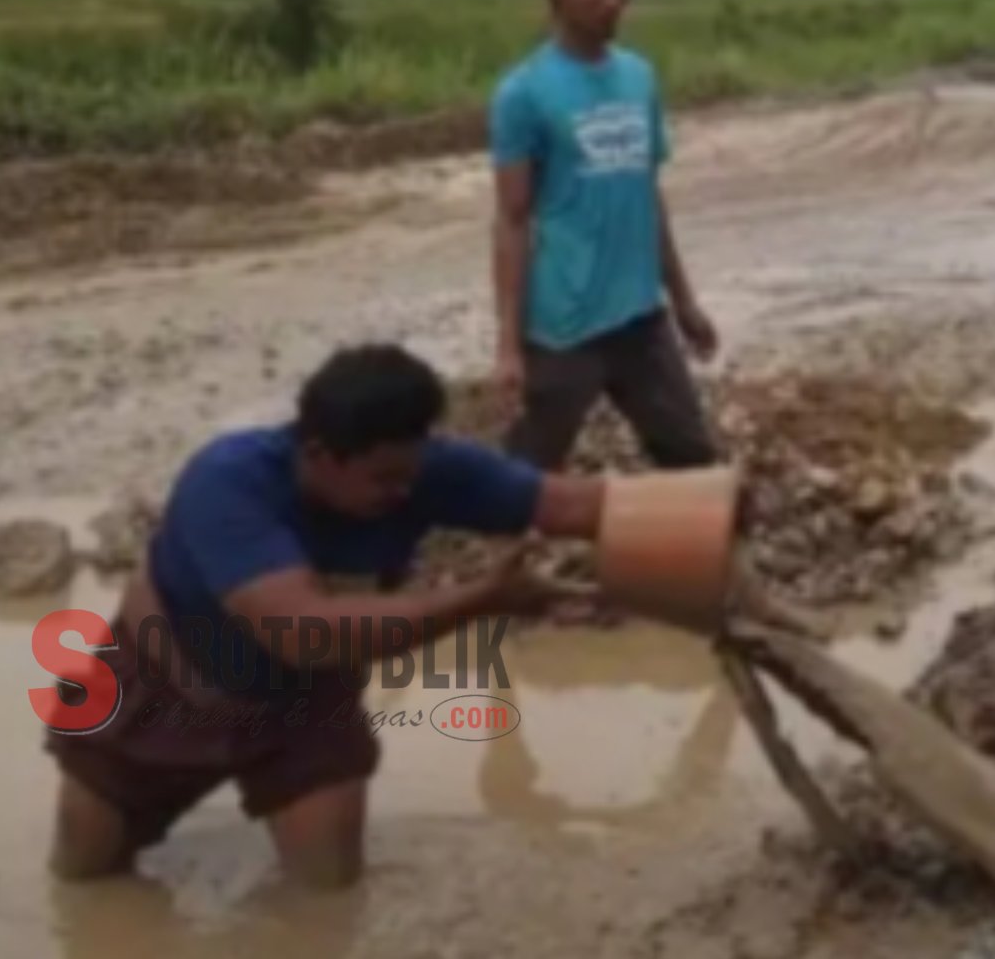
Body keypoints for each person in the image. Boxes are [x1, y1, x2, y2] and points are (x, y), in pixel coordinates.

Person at [44, 343, 614, 888]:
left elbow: (576, 505)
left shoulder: (424, 471)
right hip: (163, 682)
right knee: (87, 879)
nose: (405, 491)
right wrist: (483, 598)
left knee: (327, 895)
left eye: (413, 471)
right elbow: (304, 633)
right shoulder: (228, 482)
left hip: (303, 700)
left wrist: (695, 516)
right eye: (385, 478)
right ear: (317, 454)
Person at [488, 0, 720, 473]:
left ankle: (696, 554)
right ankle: (498, 552)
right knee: (527, 474)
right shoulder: (523, 94)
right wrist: (509, 345)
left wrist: (684, 301)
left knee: (691, 456)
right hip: (564, 327)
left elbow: (648, 194)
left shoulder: (639, 76)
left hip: (641, 318)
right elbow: (512, 221)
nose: (613, 0)